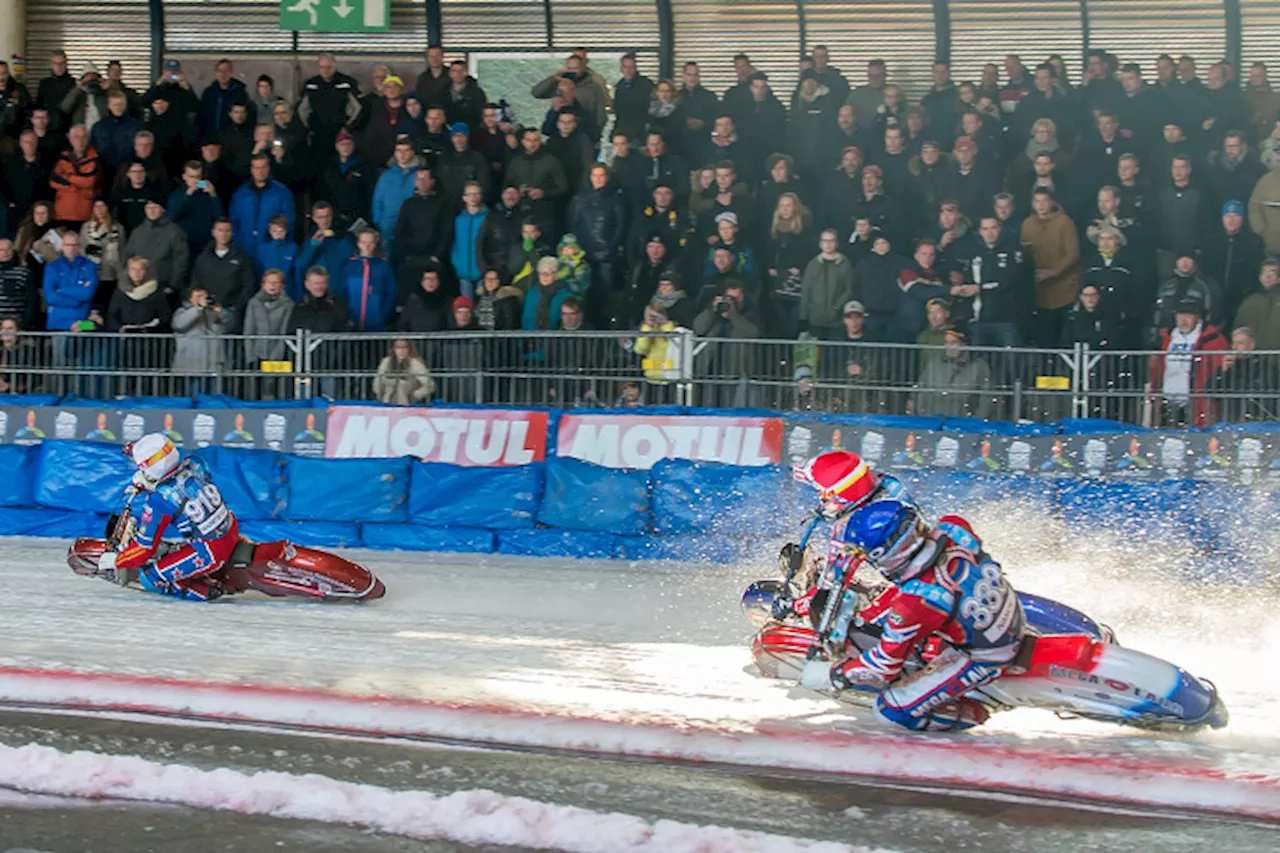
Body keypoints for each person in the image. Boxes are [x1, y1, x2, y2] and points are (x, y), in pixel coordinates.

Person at [811, 497, 1024, 731]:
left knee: (890, 710)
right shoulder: (953, 527)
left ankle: (976, 711)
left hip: (988, 654)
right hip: (1010, 613)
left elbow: (884, 666)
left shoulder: (914, 602)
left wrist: (839, 673)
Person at [93, 434, 239, 602]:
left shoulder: (158, 501)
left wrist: (118, 560)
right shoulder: (195, 463)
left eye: (142, 468)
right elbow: (183, 488)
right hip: (230, 527)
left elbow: (144, 549)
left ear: (150, 469)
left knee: (149, 578)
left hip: (210, 551)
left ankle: (204, 591)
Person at [374, 338, 435, 405]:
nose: (402, 350)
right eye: (398, 347)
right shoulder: (386, 361)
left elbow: (430, 384)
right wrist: (379, 393)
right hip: (388, 395)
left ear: (409, 349)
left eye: (405, 347)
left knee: (401, 384)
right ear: (393, 349)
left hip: (408, 396)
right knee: (389, 385)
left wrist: (415, 395)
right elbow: (377, 381)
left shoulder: (415, 363)